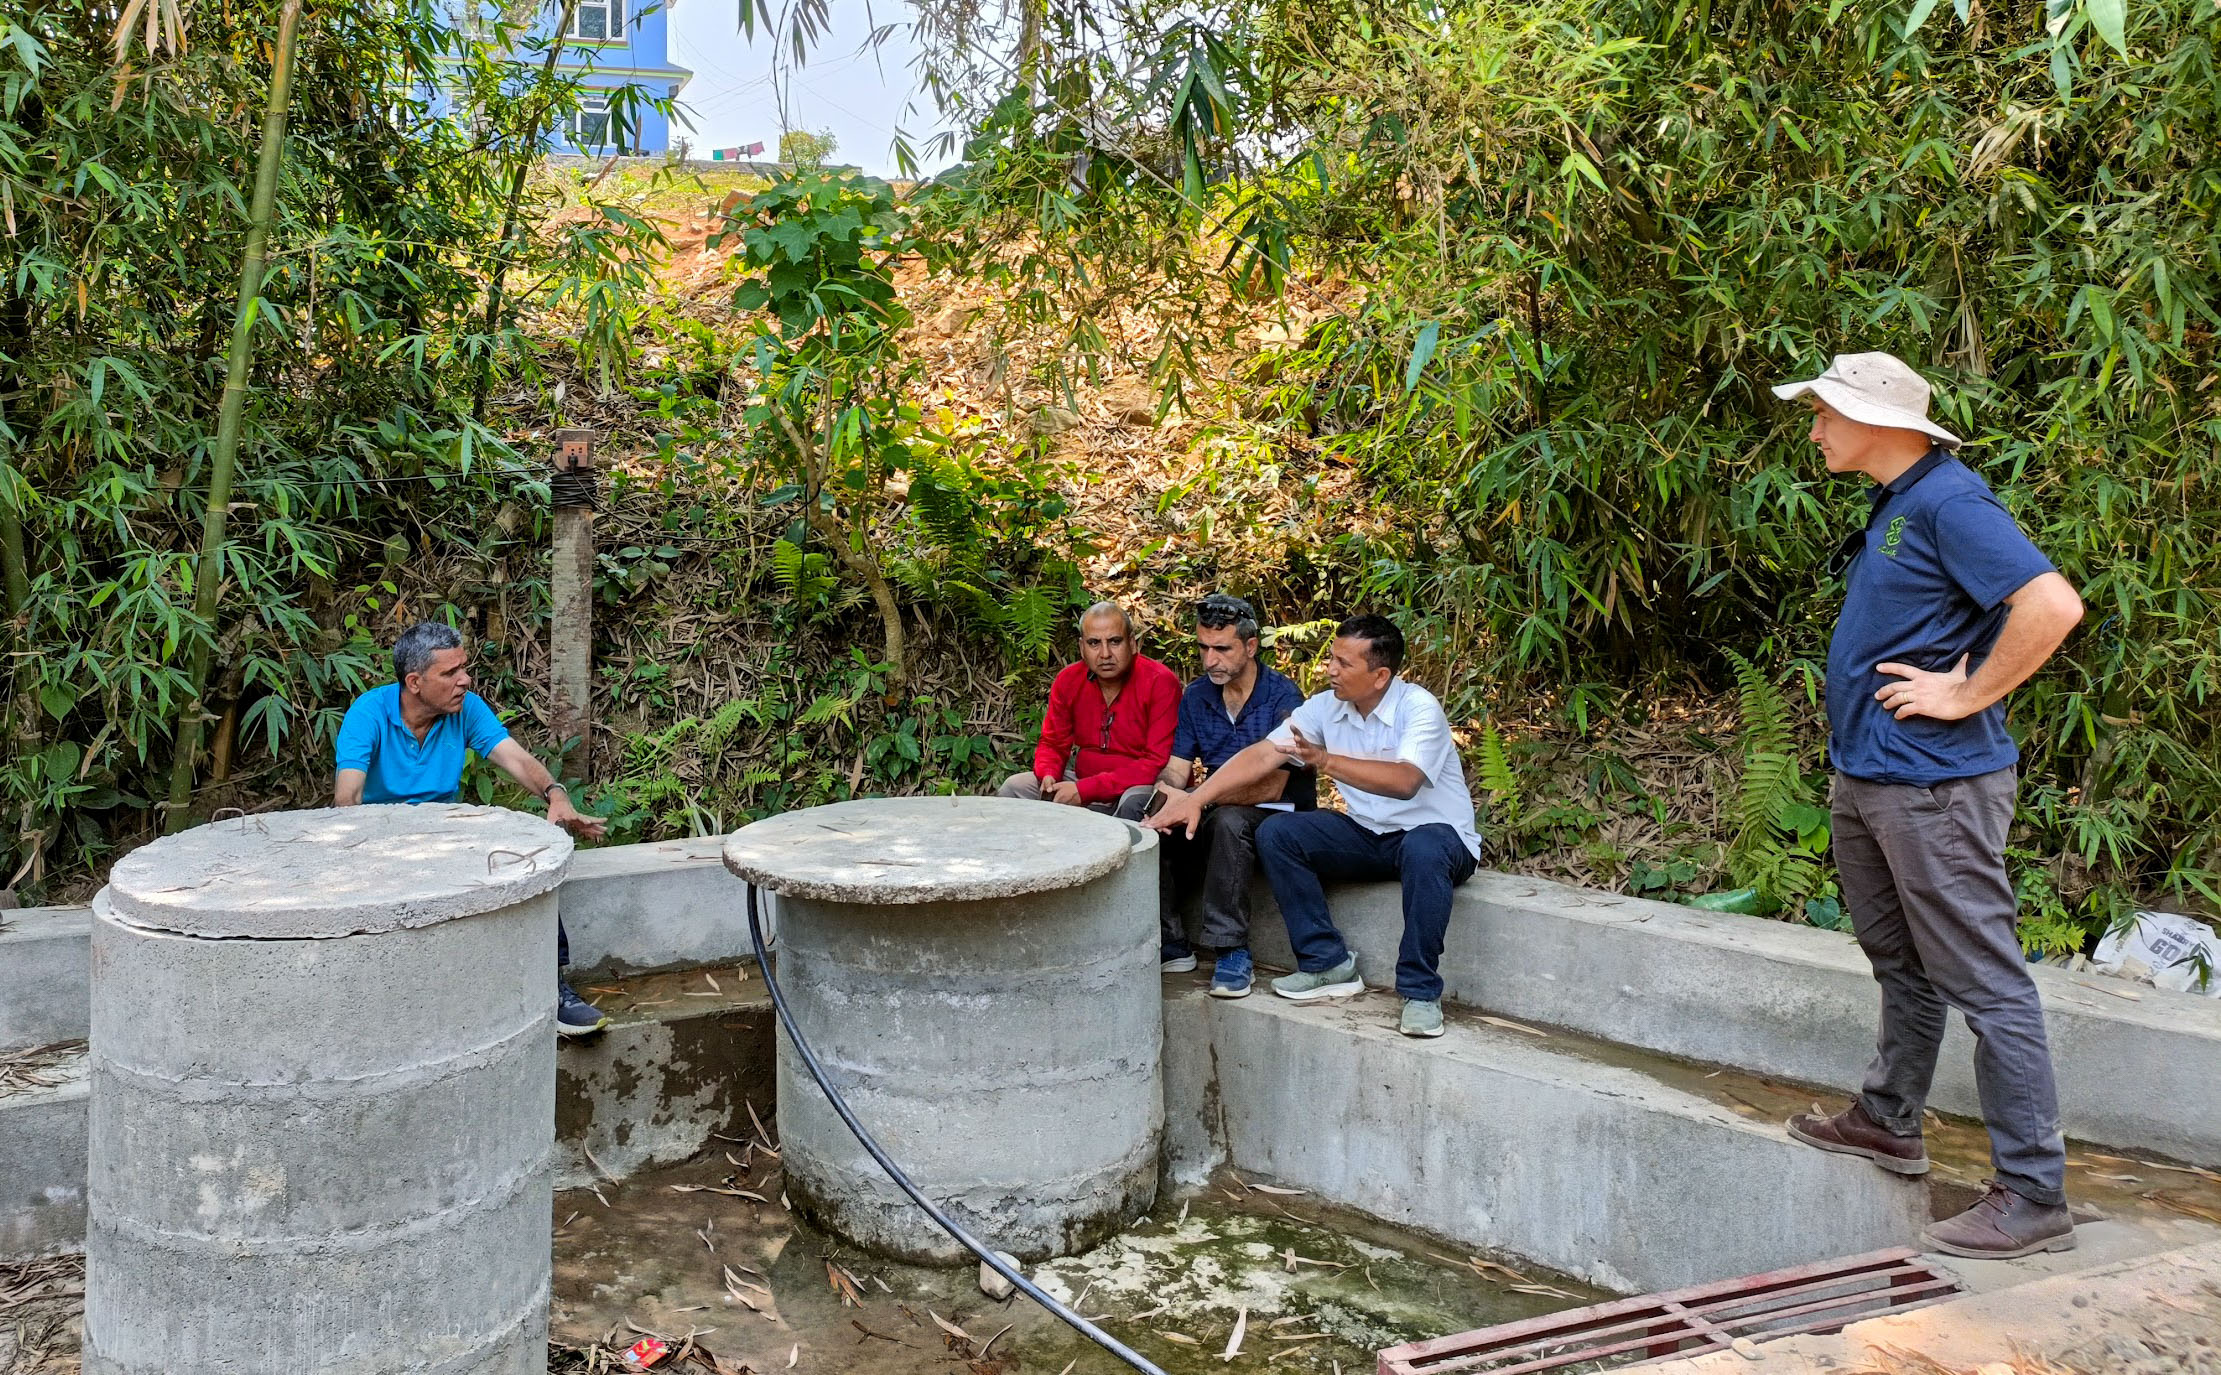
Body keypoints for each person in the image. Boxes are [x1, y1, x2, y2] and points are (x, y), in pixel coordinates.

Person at [1772, 352, 2085, 1259]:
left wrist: (1966, 692)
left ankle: (2033, 1194)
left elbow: (2050, 604)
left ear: (1878, 418)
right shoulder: (1898, 502)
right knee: (1900, 962)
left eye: (1826, 411)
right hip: (1872, 777)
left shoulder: (1949, 500)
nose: (1816, 428)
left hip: (1934, 786)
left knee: (1985, 982)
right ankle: (1887, 1117)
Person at [1148, 614, 1480, 1038]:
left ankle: (1420, 992)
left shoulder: (1417, 707)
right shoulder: (1327, 707)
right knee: (1278, 833)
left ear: (1380, 675)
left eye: (1344, 664)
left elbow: (1404, 781)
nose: (1330, 670)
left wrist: (1323, 760)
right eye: (1331, 659)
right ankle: (1327, 963)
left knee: (1424, 847)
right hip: (1367, 833)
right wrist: (1197, 798)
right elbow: (1263, 754)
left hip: (1437, 840)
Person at [334, 620, 613, 1037]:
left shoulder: (466, 709)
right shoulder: (368, 714)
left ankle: (553, 991)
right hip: (383, 845)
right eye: (450, 673)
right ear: (414, 682)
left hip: (447, 835)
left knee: (525, 865)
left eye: (463, 668)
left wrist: (555, 793)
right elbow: (347, 798)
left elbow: (515, 760)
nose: (464, 680)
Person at [1154, 593, 1312, 999]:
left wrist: (1198, 800)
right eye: (1203, 648)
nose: (1210, 661)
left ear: (1251, 646)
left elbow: (1273, 784)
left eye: (1222, 649)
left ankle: (1231, 949)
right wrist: (1167, 793)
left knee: (1229, 821)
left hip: (1277, 812)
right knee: (1144, 805)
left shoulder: (1283, 697)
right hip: (1212, 801)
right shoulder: (1197, 695)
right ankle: (1170, 942)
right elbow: (1178, 765)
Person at [998, 601, 1177, 821]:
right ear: (1082, 647)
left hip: (1136, 786)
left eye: (1114, 642)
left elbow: (1155, 763)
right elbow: (1053, 742)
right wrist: (1048, 774)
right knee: (1014, 788)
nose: (1105, 653)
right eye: (1094, 643)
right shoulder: (1068, 680)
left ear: (1132, 644)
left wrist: (1086, 790)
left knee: (1135, 801)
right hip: (1083, 781)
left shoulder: (1160, 681)